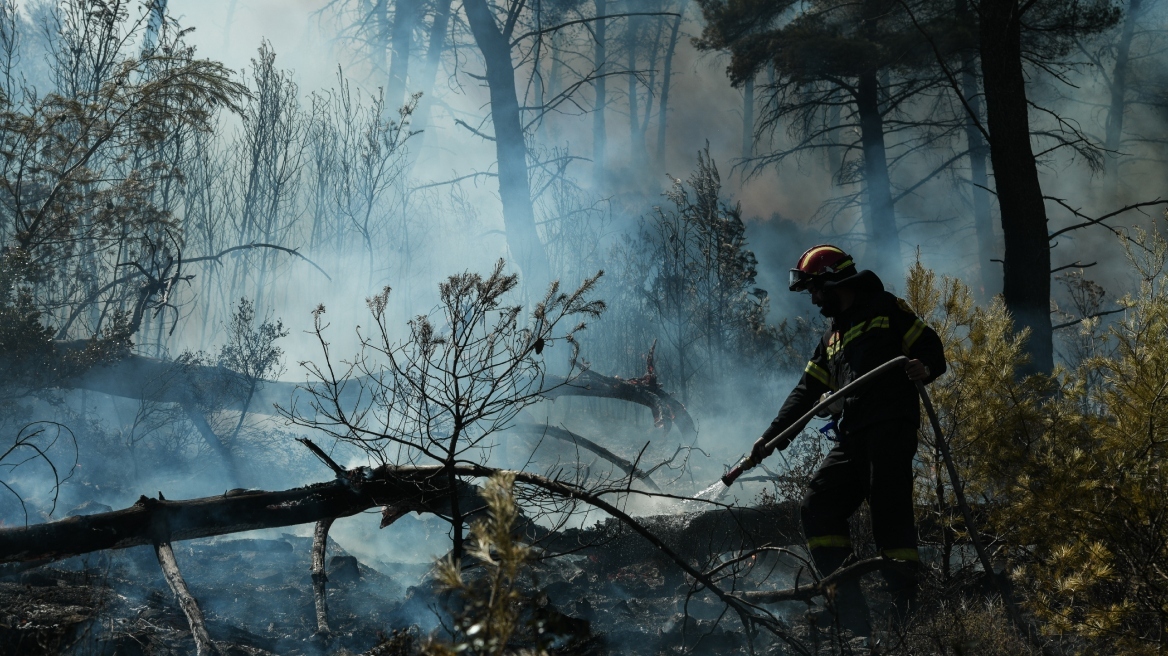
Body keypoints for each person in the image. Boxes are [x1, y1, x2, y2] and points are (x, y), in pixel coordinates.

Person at [750, 244, 946, 637]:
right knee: (818, 505)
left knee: (888, 514)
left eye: (814, 289)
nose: (813, 299)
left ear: (831, 280)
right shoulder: (830, 338)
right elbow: (805, 392)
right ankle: (850, 612)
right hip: (853, 434)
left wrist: (924, 366)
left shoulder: (886, 309)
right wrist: (770, 438)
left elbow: (931, 348)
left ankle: (907, 614)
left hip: (890, 426)